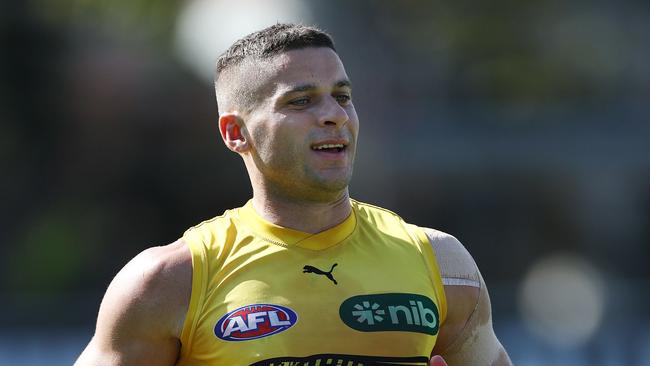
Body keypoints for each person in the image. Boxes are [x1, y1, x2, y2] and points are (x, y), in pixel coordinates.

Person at [75, 23, 512, 366]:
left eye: (342, 96)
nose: (334, 116)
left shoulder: (442, 264)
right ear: (235, 132)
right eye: (301, 102)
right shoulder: (168, 282)